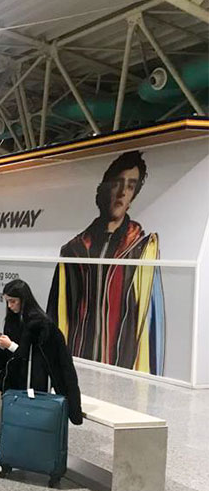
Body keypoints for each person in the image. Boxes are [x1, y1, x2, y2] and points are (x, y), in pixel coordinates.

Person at [47, 150, 164, 375]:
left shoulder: (142, 248)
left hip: (122, 364)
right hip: (78, 357)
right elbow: (58, 311)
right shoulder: (74, 249)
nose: (122, 192)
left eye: (130, 186)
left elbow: (150, 321)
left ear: (133, 197)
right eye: (117, 183)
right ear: (103, 189)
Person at [0, 279, 84, 450]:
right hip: (13, 367)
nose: (9, 306)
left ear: (24, 300)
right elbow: (12, 353)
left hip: (28, 376)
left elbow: (31, 357)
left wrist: (10, 345)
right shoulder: (13, 319)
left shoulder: (39, 323)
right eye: (7, 301)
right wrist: (2, 344)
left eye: (13, 301)